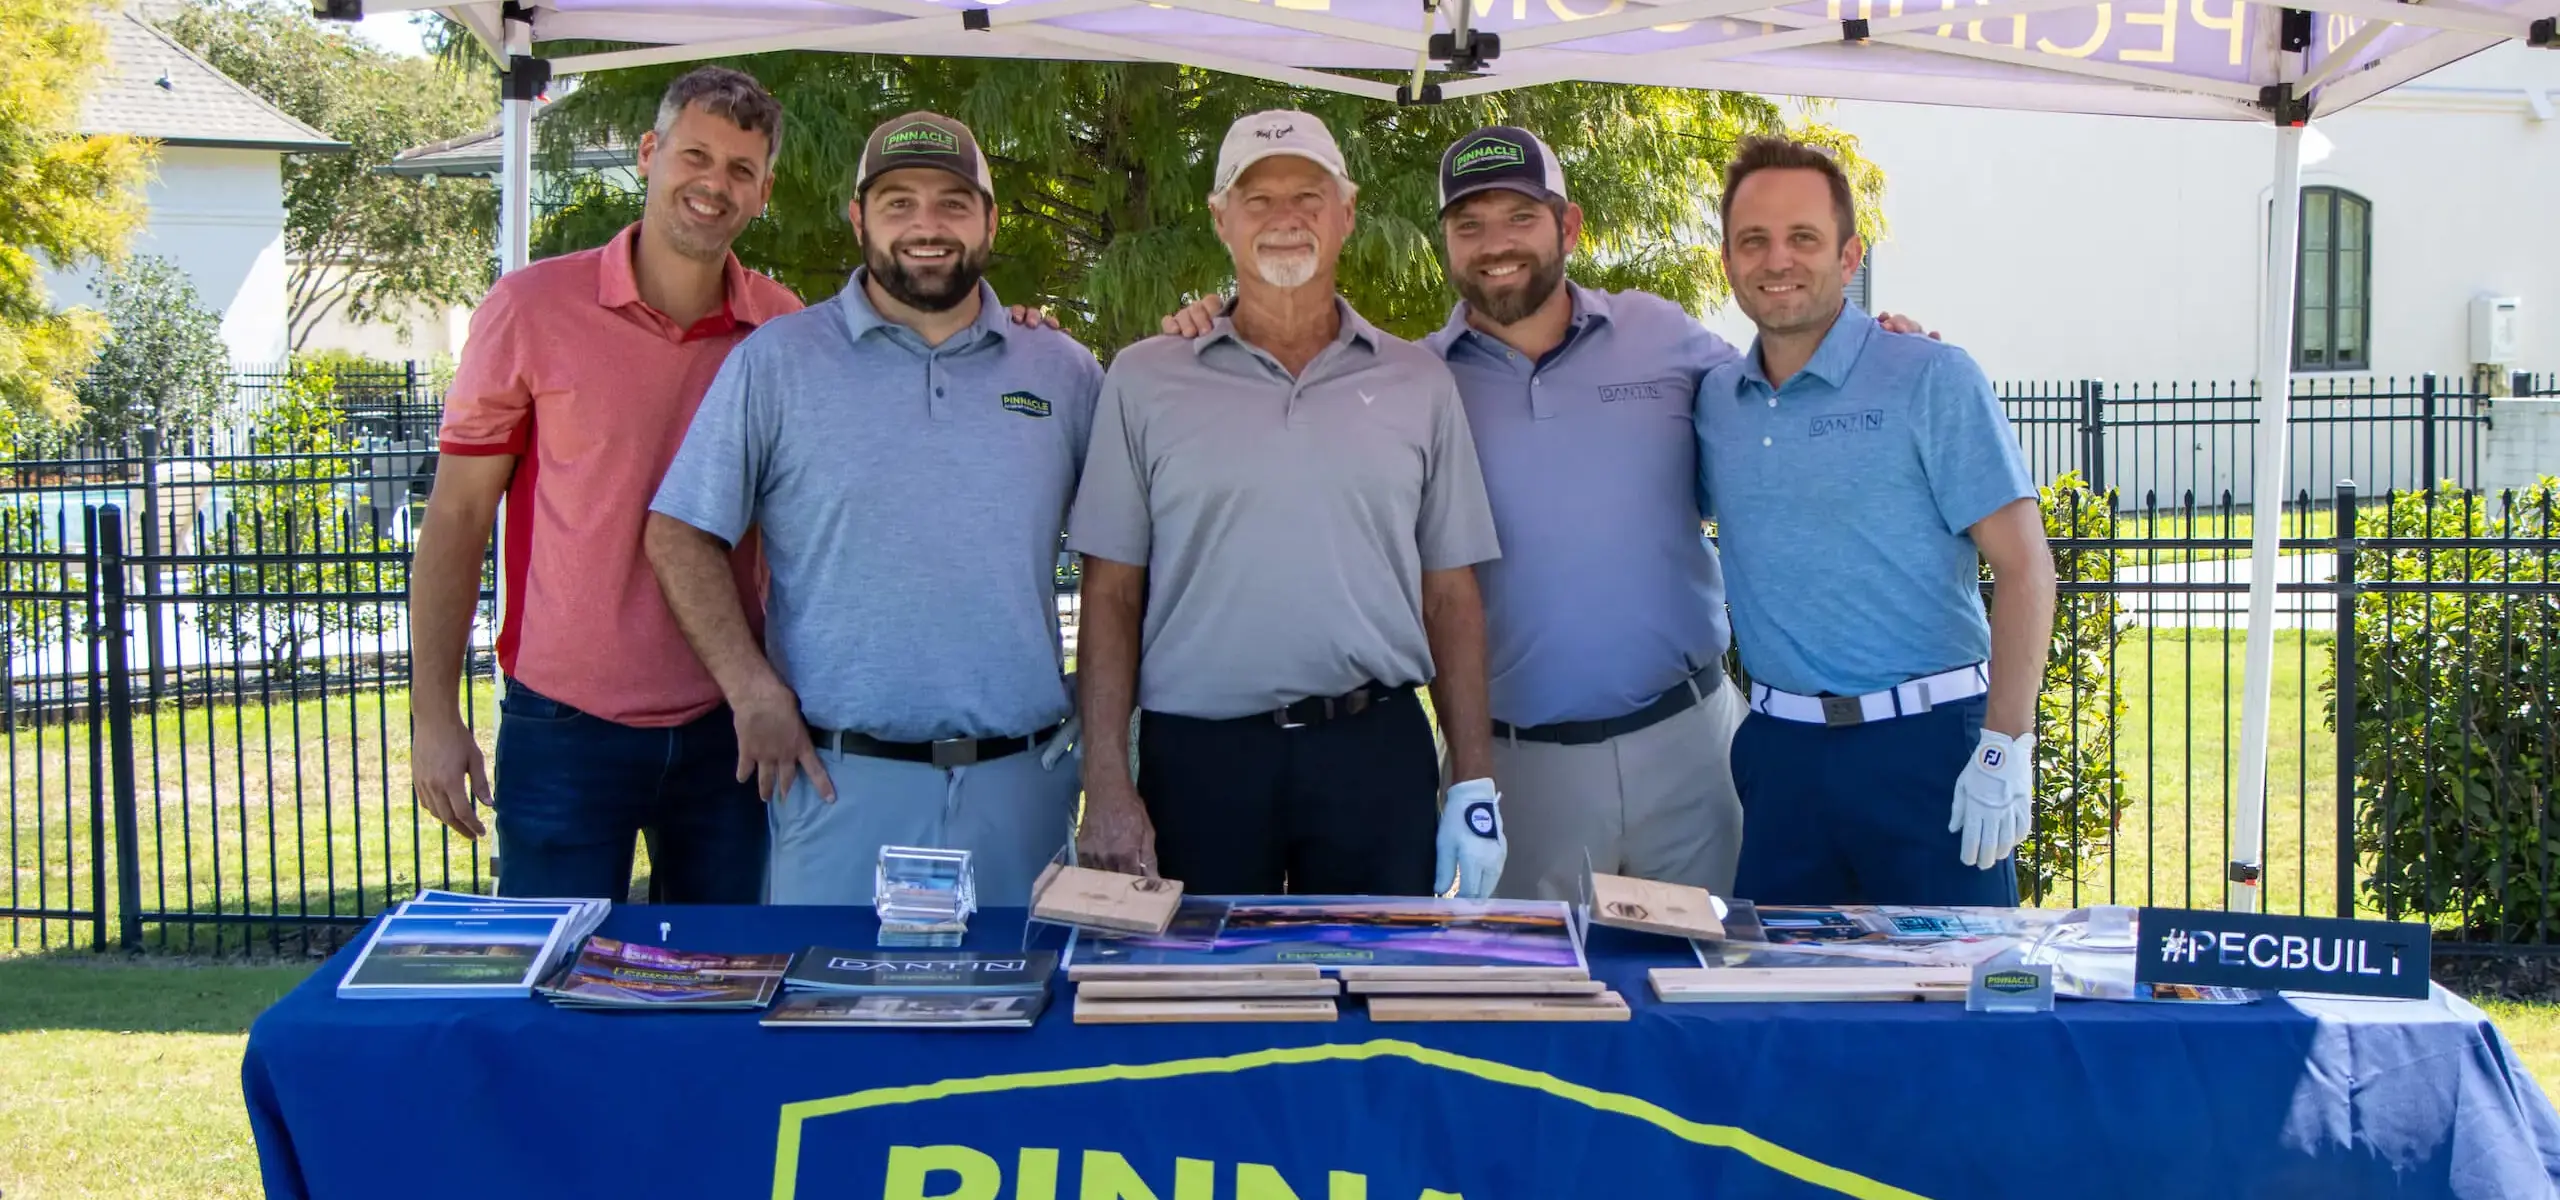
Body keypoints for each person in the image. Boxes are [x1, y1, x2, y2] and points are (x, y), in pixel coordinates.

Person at [1160, 127, 1930, 903]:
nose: (1496, 244)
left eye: (1520, 218)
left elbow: (1778, 395)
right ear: (1446, 245)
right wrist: (1218, 319)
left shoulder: (1659, 335)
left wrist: (1871, 348)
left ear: (1567, 226)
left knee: (1710, 993)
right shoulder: (1410, 383)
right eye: (1469, 226)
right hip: (1520, 772)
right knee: (1542, 1009)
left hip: (1691, 748)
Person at [645, 112, 1101, 907]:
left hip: (1022, 788)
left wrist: (1095, 716)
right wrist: (750, 690)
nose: (927, 226)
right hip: (834, 785)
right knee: (829, 1022)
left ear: (990, 222)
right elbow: (680, 532)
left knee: (1019, 1020)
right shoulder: (778, 363)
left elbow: (1121, 561)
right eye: (898, 203)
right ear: (859, 218)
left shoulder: (1062, 371)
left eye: (954, 203)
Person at [1068, 110, 1508, 899]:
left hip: (1374, 752)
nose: (1284, 219)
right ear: (1220, 219)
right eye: (1257, 199)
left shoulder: (1418, 383)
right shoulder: (1144, 378)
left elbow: (1450, 594)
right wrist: (1106, 779)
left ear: (1346, 213)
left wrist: (1472, 781)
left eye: (1307, 195)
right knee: (1202, 1009)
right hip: (1200, 759)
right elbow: (1110, 593)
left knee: (1374, 1002)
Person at [408, 67, 801, 902]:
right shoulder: (530, 308)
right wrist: (434, 718)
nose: (714, 184)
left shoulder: (784, 326)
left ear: (764, 193)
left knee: (722, 1001)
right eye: (695, 155)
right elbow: (457, 517)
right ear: (650, 154)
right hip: (565, 725)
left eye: (740, 170)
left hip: (730, 725)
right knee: (550, 996)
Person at [1695, 135, 2057, 905]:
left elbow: (2026, 567)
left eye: (1804, 238)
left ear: (1850, 254)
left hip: (1928, 752)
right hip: (1780, 758)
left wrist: (2004, 746)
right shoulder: (1713, 403)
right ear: (1726, 260)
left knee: (1953, 1010)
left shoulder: (1931, 375)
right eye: (1752, 241)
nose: (1777, 260)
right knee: (1787, 1013)